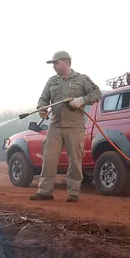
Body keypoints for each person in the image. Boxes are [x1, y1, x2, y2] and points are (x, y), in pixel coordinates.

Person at [30, 51, 102, 203]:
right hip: (55, 125)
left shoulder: (82, 79)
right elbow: (43, 99)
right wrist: (42, 108)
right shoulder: (52, 81)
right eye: (53, 64)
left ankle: (73, 192)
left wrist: (81, 100)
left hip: (74, 126)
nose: (54, 67)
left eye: (56, 63)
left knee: (75, 160)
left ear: (66, 62)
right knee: (48, 158)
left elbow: (97, 93)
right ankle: (45, 191)